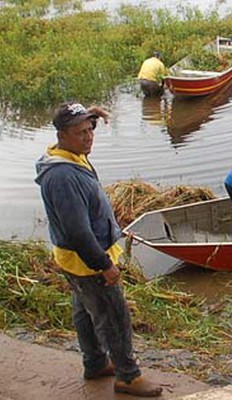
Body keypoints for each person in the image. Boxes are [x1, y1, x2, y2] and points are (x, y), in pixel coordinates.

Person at [34, 102, 162, 397]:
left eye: (90, 129)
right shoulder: (63, 177)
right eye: (81, 132)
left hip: (76, 261)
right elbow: (77, 231)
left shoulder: (67, 155)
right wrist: (104, 264)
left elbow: (76, 124)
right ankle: (128, 377)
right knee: (114, 316)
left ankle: (94, 363)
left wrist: (90, 113)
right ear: (62, 135)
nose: (89, 136)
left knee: (85, 310)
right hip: (86, 262)